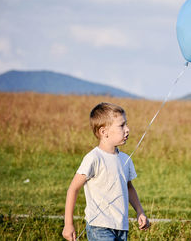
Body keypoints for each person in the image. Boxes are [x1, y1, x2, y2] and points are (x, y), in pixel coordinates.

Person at [62, 102, 150, 241]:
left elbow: (129, 187)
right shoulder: (93, 158)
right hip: (99, 227)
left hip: (121, 227)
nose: (127, 129)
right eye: (121, 125)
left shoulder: (125, 159)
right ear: (104, 132)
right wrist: (68, 224)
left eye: (126, 124)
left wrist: (140, 211)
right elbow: (73, 189)